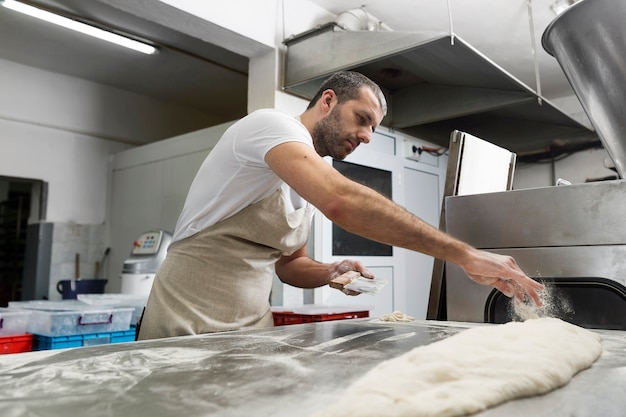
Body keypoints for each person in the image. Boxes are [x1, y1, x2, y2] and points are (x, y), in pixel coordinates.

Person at [137, 71, 543, 340]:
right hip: (186, 321)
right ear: (328, 101)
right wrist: (465, 255)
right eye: (362, 119)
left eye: (373, 128)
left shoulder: (308, 175)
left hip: (249, 329)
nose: (366, 136)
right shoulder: (269, 126)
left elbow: (287, 264)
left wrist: (331, 272)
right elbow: (341, 200)